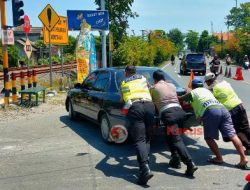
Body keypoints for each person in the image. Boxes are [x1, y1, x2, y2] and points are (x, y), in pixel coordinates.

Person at [179, 78, 248, 169]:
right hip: (223, 109)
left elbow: (180, 99)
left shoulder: (193, 92)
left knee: (208, 138)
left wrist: (186, 92)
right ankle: (243, 159)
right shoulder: (207, 91)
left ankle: (219, 158)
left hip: (211, 111)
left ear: (193, 87)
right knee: (232, 135)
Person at [150, 70, 198, 177]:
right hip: (180, 113)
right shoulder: (171, 85)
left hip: (169, 115)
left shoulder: (153, 88)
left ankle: (190, 163)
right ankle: (175, 159)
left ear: (155, 79)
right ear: (163, 78)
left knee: (176, 140)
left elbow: (151, 101)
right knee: (170, 136)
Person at [120, 66, 155, 185]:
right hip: (150, 106)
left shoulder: (124, 82)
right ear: (136, 72)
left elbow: (123, 99)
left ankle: (144, 168)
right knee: (147, 138)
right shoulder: (143, 78)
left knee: (139, 139)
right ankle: (146, 164)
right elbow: (150, 90)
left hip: (135, 107)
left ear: (126, 73)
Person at [204, 73, 250, 155]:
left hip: (231, 109)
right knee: (245, 127)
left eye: (206, 82)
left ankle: (249, 147)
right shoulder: (225, 83)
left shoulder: (212, 89)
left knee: (236, 130)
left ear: (208, 81)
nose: (206, 84)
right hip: (240, 105)